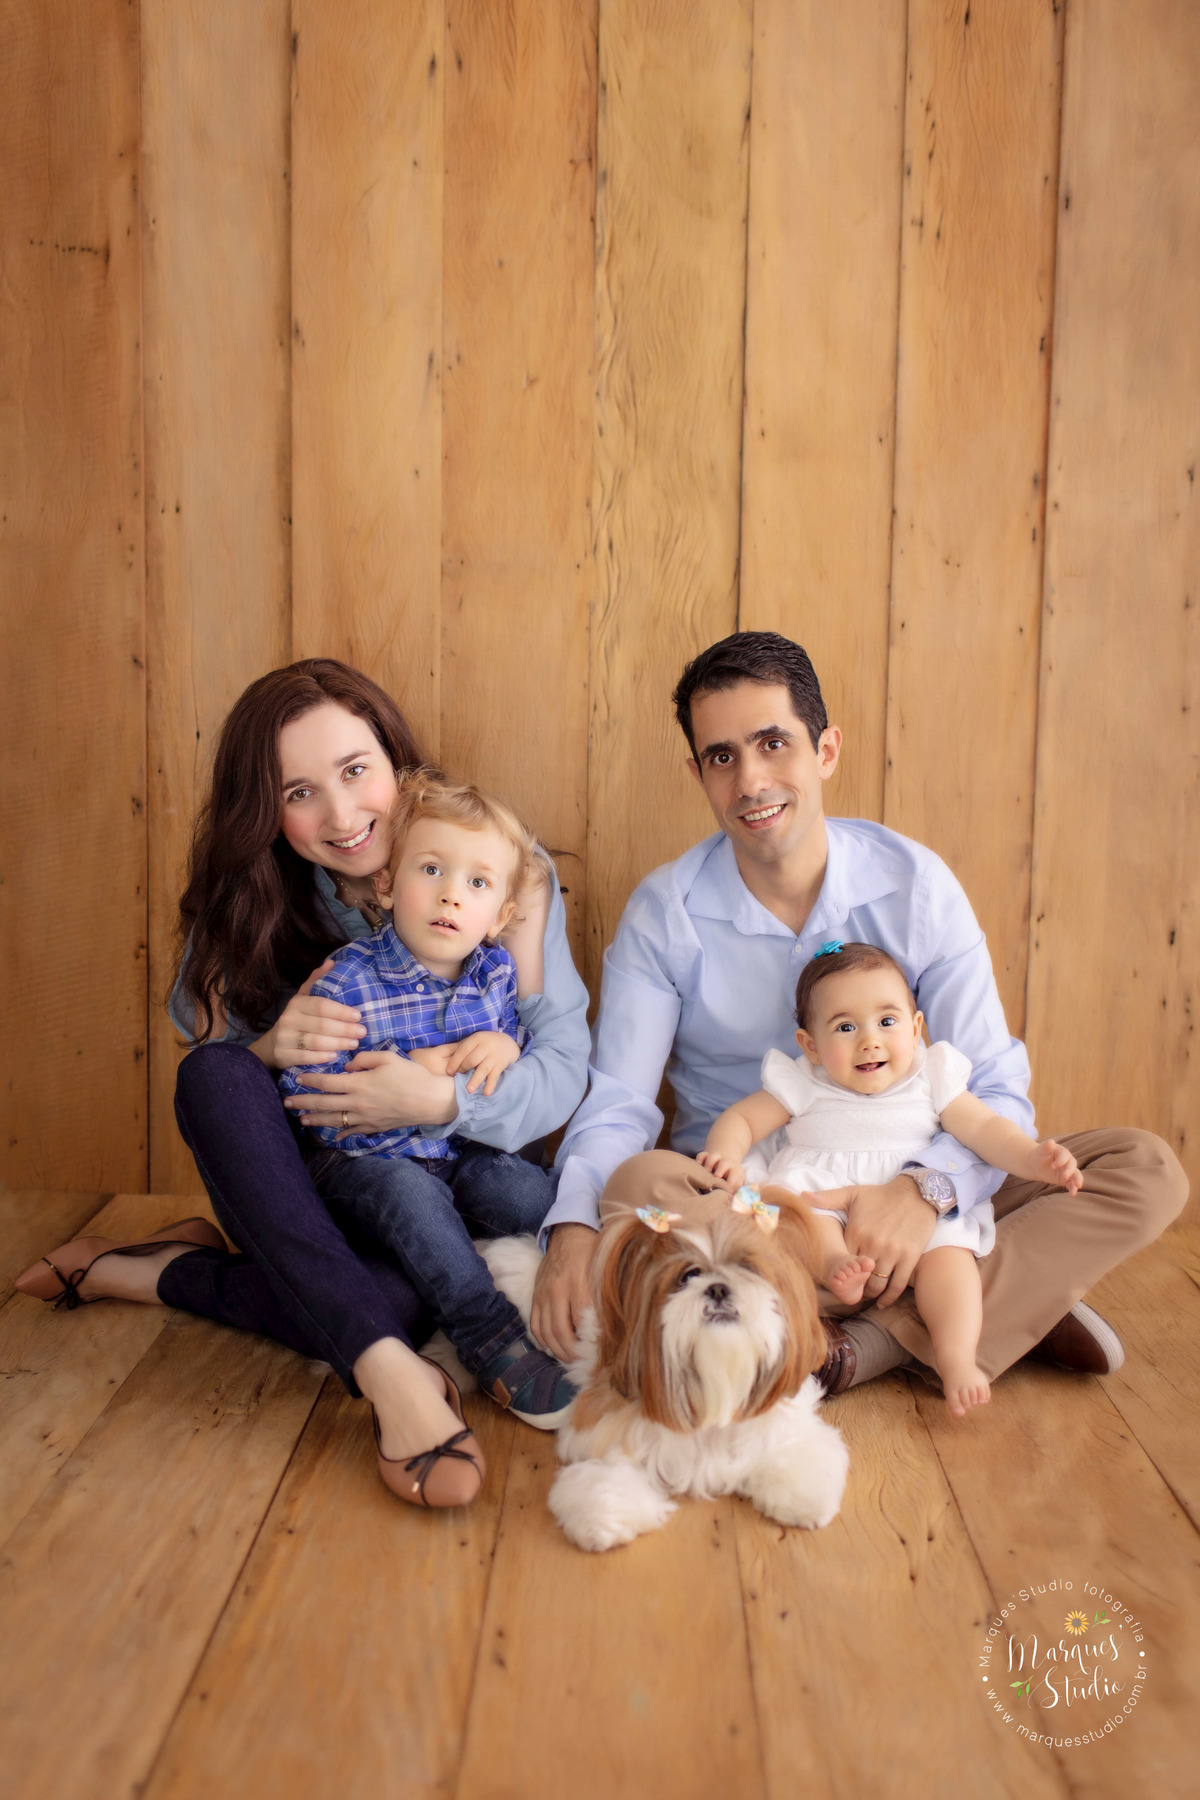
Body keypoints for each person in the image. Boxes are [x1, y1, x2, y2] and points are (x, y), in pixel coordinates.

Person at [530, 631, 1187, 1398]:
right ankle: (997, 1307)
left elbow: (996, 1086)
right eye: (722, 757)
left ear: (826, 750)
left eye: (774, 743)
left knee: (1144, 1170)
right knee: (641, 1180)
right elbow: (619, 1106)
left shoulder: (917, 884)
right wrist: (571, 1233)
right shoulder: (665, 912)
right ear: (698, 774)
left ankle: (856, 1346)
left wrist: (922, 1191)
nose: (750, 780)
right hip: (761, 1208)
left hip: (917, 1173)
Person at [17, 660, 590, 1508]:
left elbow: (559, 1063)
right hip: (321, 1179)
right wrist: (272, 1046)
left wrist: (441, 1099)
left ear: (398, 765)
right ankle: (395, 1383)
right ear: (268, 810)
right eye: (299, 793)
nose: (343, 815)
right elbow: (220, 1087)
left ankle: (155, 1273)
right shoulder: (263, 892)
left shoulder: (495, 866)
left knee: (390, 1299)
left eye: (357, 772)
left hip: (447, 1169)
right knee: (215, 1072)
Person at [281, 770, 577, 1429]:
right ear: (386, 885)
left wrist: (503, 1050)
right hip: (365, 1166)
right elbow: (306, 1096)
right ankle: (489, 1338)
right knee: (411, 1198)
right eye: (432, 870)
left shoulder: (495, 971)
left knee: (524, 1193)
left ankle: (586, 1289)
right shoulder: (350, 979)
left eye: (476, 884)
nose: (450, 896)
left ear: (500, 915)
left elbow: (515, 1046)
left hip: (454, 1152)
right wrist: (408, 1081)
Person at [698, 940, 1082, 1416]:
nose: (869, 1040)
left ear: (916, 1027)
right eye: (845, 1027)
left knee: (950, 1262)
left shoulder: (931, 1076)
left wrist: (1032, 1159)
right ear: (811, 1045)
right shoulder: (803, 1080)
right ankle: (837, 1266)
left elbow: (984, 1129)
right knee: (807, 1218)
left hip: (917, 1207)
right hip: (825, 1190)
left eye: (886, 1021)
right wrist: (725, 1156)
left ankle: (956, 1356)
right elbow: (743, 1120)